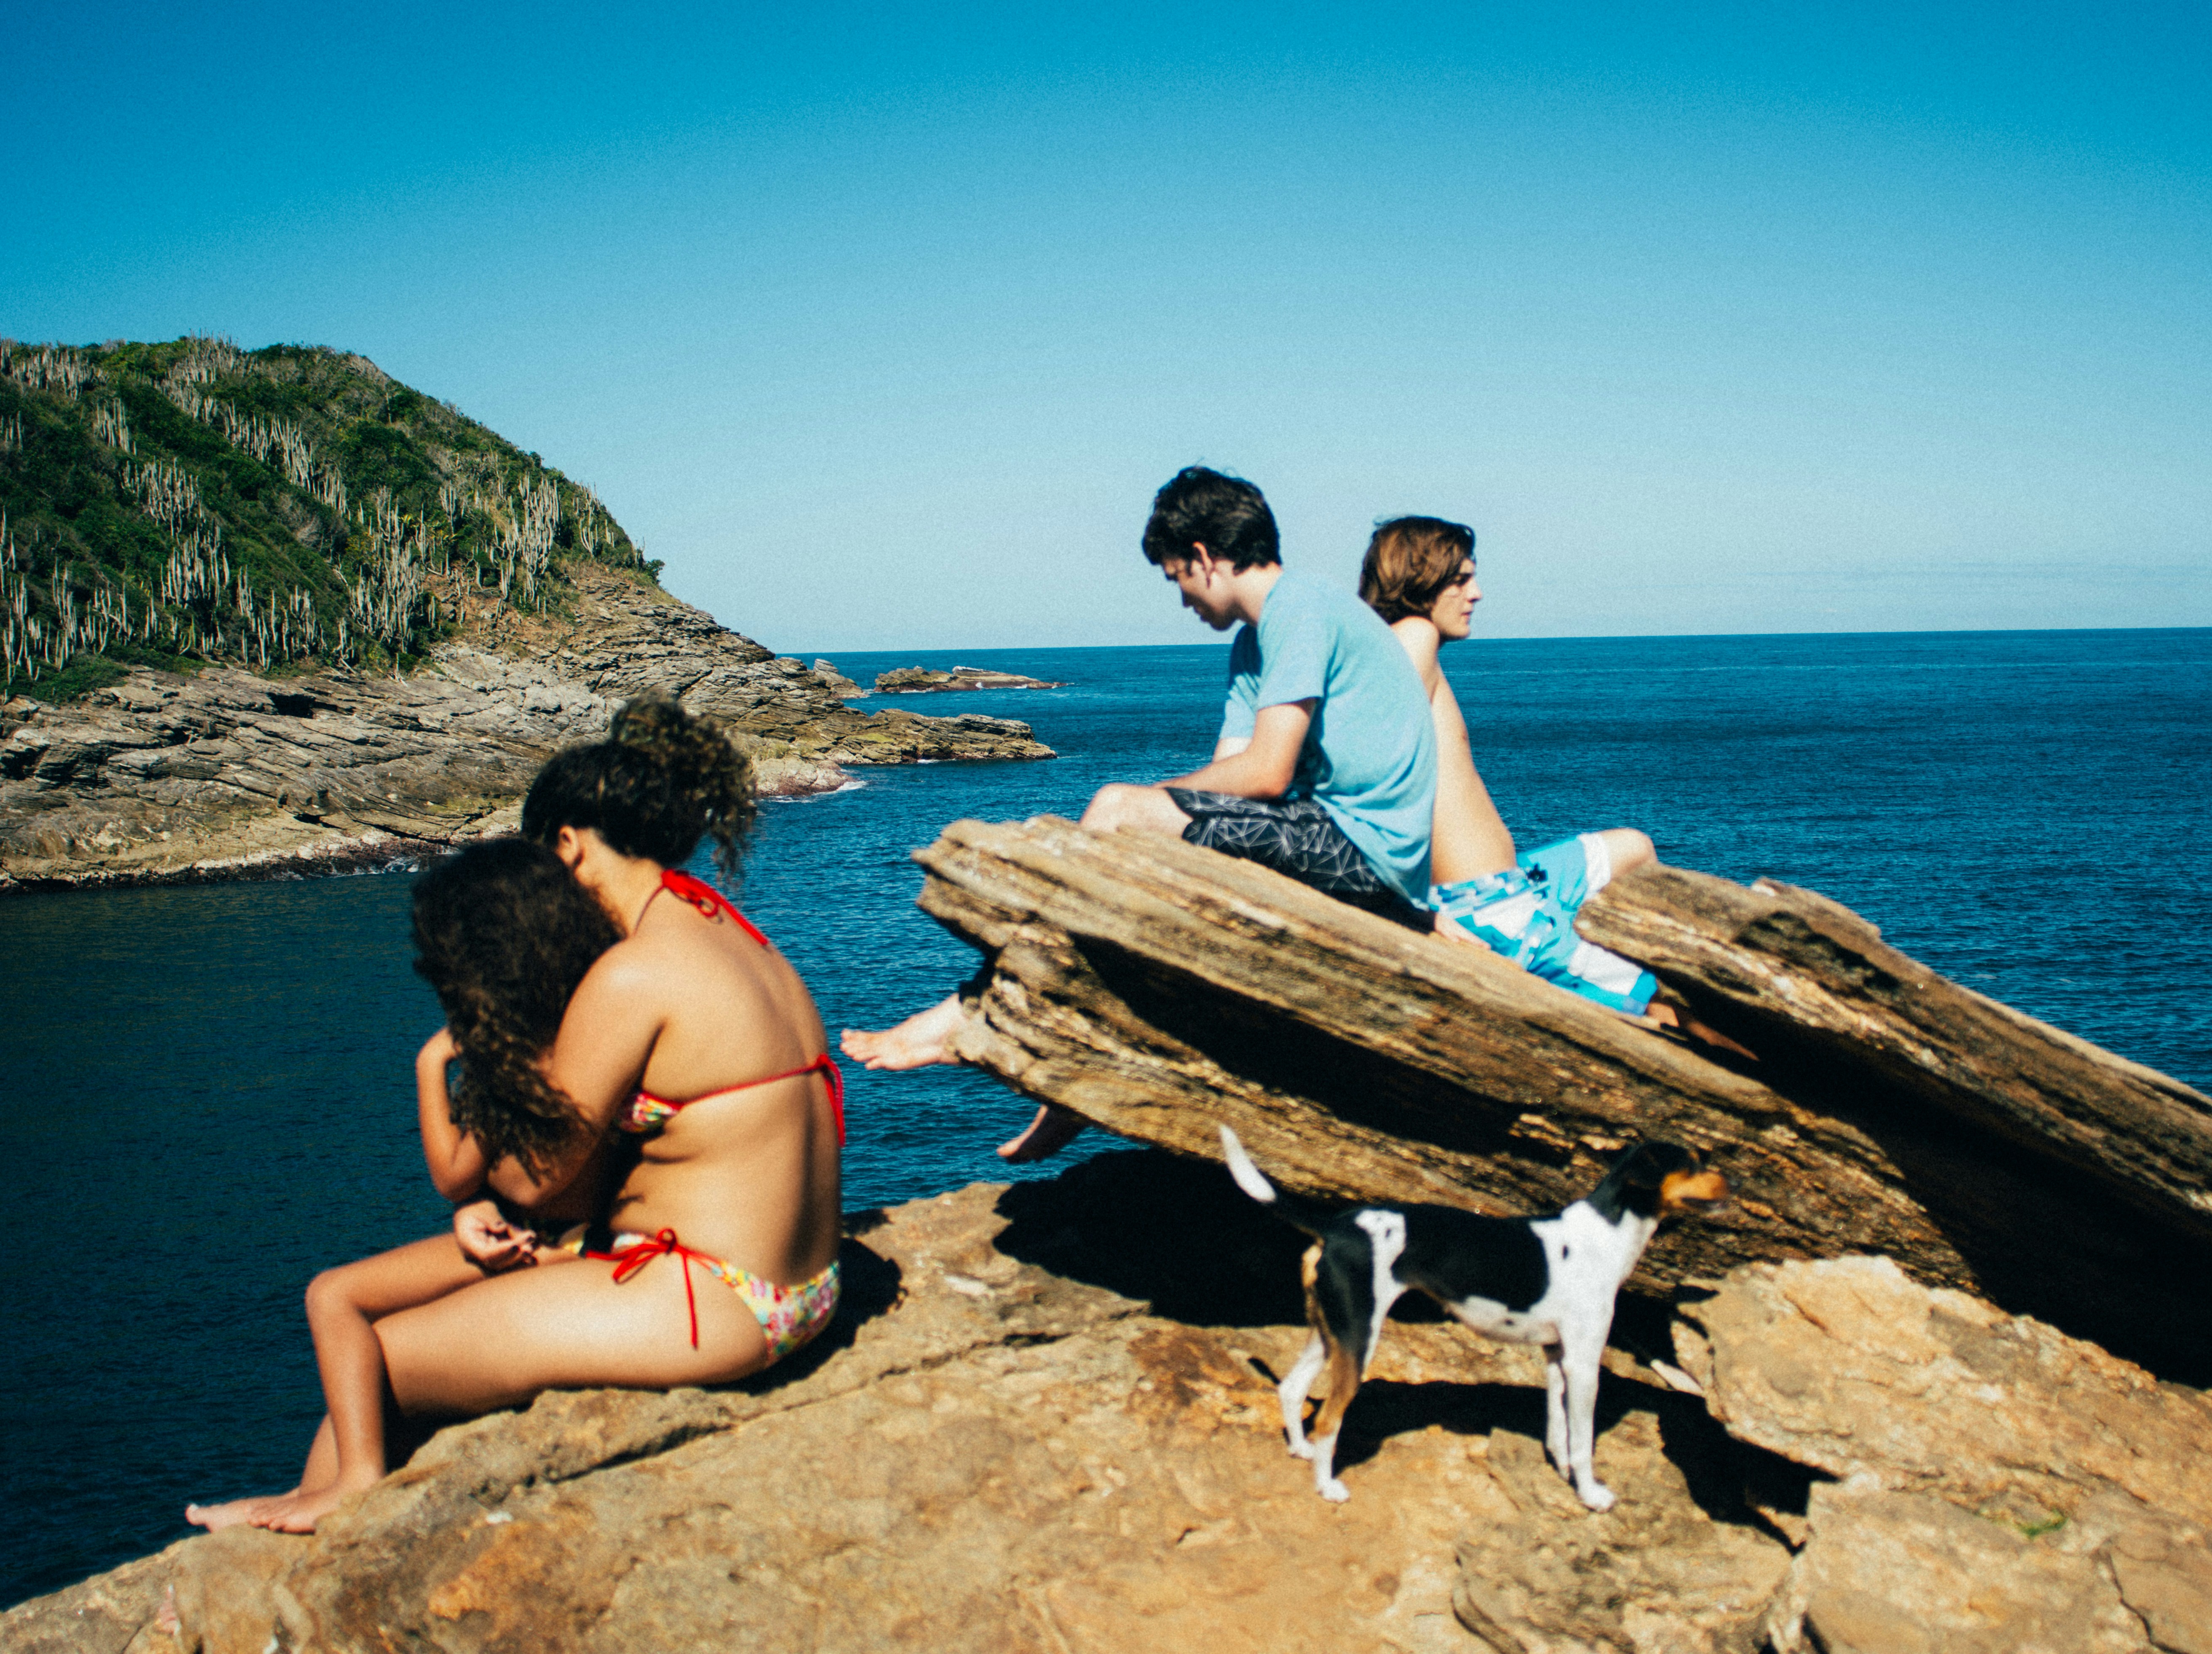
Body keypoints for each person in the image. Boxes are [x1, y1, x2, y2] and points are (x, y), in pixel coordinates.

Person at [188, 700, 845, 1532]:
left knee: (378, 1366)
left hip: (715, 1303)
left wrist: (486, 1110)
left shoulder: (636, 975)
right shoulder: (737, 937)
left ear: (568, 845)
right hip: (802, 1286)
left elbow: (536, 1174)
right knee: (386, 1341)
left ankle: (321, 1529)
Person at [844, 465, 1438, 1160]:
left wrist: (1140, 808)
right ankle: (1054, 1065)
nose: (1182, 597)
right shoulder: (1256, 639)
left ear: (1204, 558)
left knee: (1119, 808)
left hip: (1365, 852)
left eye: (1176, 576)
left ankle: (981, 1017)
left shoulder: (1299, 609)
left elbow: (1267, 770)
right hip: (1330, 835)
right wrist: (1150, 819)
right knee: (1125, 857)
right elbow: (1228, 773)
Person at [1362, 516, 1745, 1050]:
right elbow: (1368, 766)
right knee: (1679, 1005)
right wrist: (1411, 913)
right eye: (1462, 580)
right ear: (1421, 580)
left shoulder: (1401, 646)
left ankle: (1607, 972)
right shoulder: (1412, 638)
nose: (1477, 593)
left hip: (1517, 882)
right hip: (1492, 911)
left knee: (1633, 849)